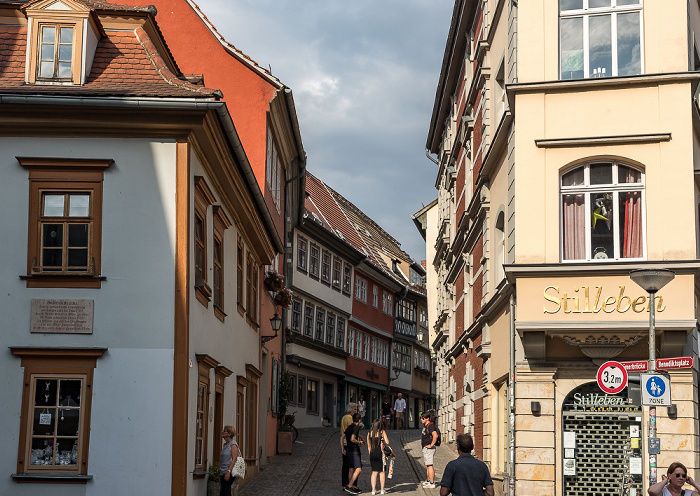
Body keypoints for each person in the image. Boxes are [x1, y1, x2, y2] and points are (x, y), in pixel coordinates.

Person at [367, 418, 391, 495]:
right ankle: (382, 490)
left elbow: (369, 445)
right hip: (380, 454)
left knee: (374, 472)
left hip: (372, 454)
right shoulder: (382, 432)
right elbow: (387, 442)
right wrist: (383, 438)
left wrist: (370, 454)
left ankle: (373, 490)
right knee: (382, 472)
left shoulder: (369, 433)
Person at [344, 412, 365, 494]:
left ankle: (352, 487)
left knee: (351, 469)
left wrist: (359, 436)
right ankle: (349, 486)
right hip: (354, 451)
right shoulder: (356, 427)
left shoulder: (350, 427)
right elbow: (352, 439)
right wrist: (359, 442)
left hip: (348, 450)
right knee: (359, 469)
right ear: (359, 420)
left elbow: (343, 436)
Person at [340, 402, 358, 489]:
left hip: (344, 442)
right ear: (350, 409)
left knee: (345, 465)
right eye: (354, 409)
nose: (356, 411)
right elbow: (352, 430)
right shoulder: (350, 418)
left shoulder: (343, 417)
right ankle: (351, 485)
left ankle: (344, 484)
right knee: (352, 466)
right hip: (349, 444)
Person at [420, 411, 439, 488]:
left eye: (423, 418)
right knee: (427, 464)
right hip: (426, 448)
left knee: (430, 465)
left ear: (428, 418)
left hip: (429, 449)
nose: (421, 419)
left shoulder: (430, 426)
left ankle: (432, 482)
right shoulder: (426, 425)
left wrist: (431, 445)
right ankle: (428, 480)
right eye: (420, 418)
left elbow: (435, 435)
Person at [219, 425, 240, 496]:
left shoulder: (233, 445)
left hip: (229, 472)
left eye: (224, 431)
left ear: (229, 434)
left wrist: (228, 472)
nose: (222, 432)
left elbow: (234, 459)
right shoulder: (225, 445)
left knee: (225, 492)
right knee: (225, 492)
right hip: (223, 471)